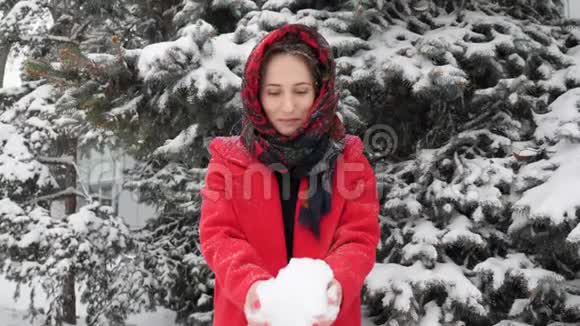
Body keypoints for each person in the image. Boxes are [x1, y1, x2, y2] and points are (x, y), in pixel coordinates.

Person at [199, 23, 380, 326]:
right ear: (256, 94)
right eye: (273, 92)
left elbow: (358, 238)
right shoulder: (229, 161)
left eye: (301, 91)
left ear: (320, 91)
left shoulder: (350, 160)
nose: (288, 106)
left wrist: (335, 285)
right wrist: (252, 288)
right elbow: (220, 237)